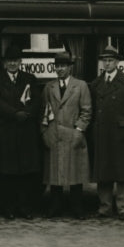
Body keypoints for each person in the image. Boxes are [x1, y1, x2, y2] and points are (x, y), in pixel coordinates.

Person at [0, 46, 44, 220]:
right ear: (4, 63)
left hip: (25, 132)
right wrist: (14, 114)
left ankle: (24, 207)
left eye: (16, 60)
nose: (12, 63)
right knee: (7, 173)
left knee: (25, 173)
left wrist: (26, 114)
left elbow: (36, 101)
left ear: (20, 62)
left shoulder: (30, 79)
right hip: (5, 133)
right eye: (9, 61)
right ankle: (8, 208)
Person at [90, 46, 124, 221]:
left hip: (121, 134)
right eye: (105, 60)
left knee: (123, 173)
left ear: (118, 62)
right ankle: (104, 207)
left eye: (110, 60)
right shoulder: (96, 84)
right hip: (102, 133)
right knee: (103, 173)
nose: (107, 63)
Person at [40, 51, 91, 220]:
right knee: (55, 173)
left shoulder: (81, 86)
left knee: (75, 173)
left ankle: (78, 208)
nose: (60, 69)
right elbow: (43, 111)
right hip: (54, 134)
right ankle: (55, 207)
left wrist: (79, 130)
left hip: (72, 133)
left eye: (63, 66)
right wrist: (44, 132)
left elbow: (86, 111)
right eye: (57, 66)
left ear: (70, 67)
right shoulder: (49, 87)